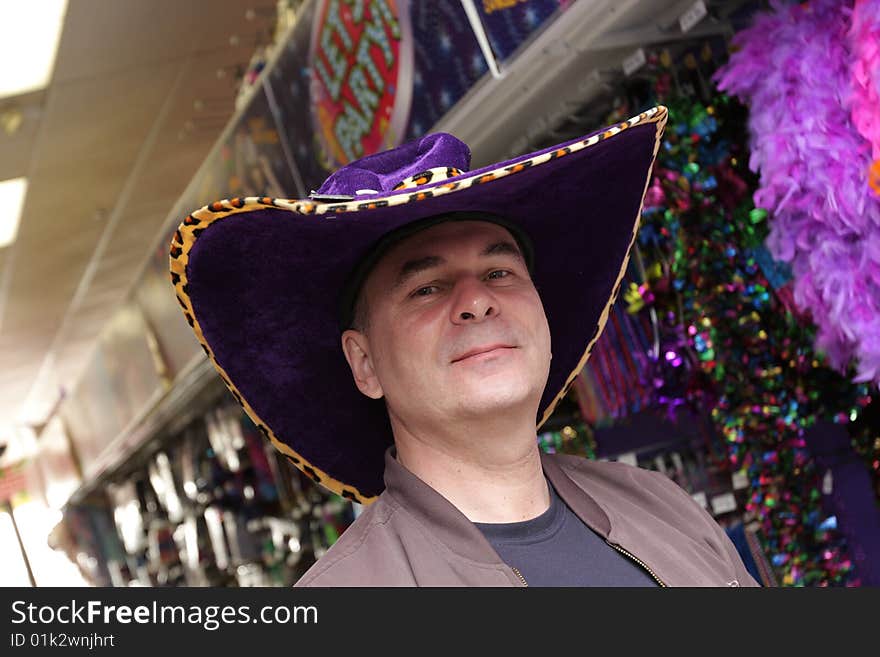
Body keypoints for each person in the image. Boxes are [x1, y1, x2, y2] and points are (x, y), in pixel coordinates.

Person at [170, 105, 758, 586]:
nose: (476, 301)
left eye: (500, 272)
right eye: (426, 287)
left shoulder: (662, 506)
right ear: (365, 363)